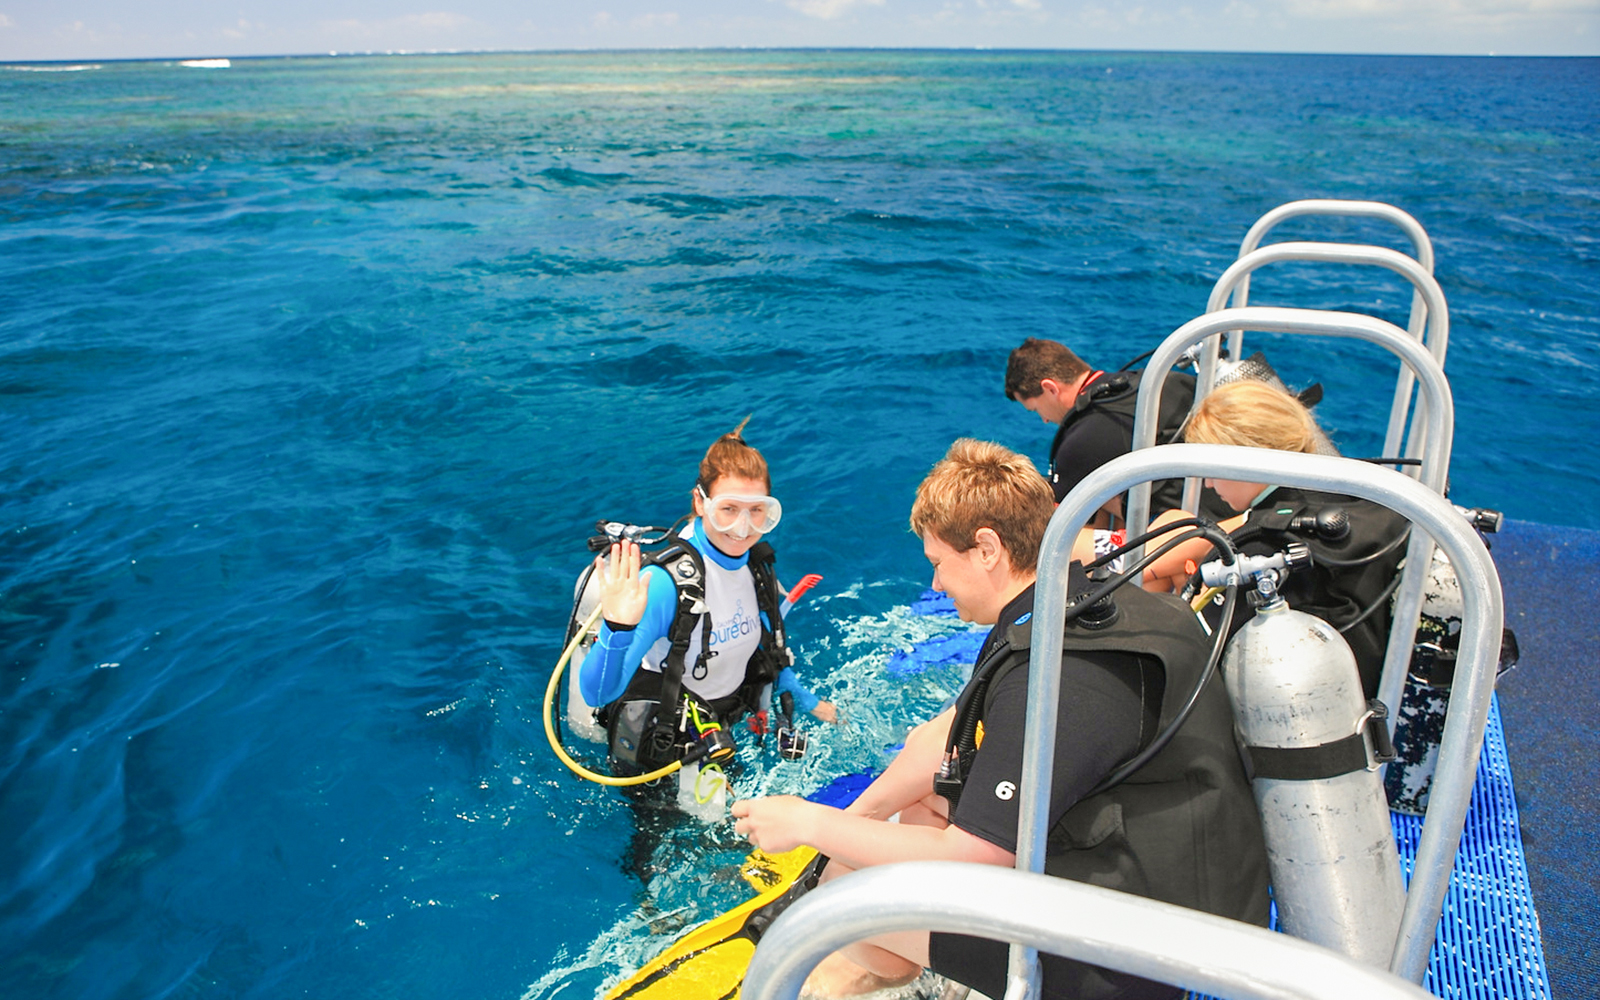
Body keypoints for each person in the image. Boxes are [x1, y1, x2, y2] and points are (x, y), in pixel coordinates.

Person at [731, 439, 1269, 1000]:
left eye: (938, 563)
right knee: (920, 802)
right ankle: (922, 948)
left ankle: (892, 966)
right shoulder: (1076, 602)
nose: (936, 584)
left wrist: (808, 826)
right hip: (1174, 866)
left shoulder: (1064, 672)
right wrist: (843, 830)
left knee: (848, 895)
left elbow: (975, 855)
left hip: (1150, 955)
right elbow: (937, 740)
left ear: (986, 548)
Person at [585, 419, 836, 777]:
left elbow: (765, 634)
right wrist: (616, 629)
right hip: (662, 745)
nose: (743, 527)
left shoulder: (754, 563)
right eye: (729, 509)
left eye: (757, 511)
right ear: (700, 503)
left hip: (720, 729)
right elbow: (597, 692)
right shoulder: (662, 584)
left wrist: (797, 691)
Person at [1141, 380, 1410, 699]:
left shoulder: (1259, 548)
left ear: (1244, 459)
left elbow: (1200, 662)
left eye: (1210, 469)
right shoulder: (1352, 496)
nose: (1208, 485)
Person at [1004, 337, 1208, 519]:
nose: (1044, 420)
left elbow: (1055, 517)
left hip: (1195, 527)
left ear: (1050, 388)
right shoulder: (1159, 381)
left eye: (1036, 409)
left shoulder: (1080, 442)